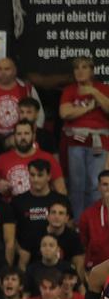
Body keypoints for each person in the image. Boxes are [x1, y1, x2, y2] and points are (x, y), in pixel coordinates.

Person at [59, 56, 109, 214]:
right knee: (76, 184)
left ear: (92, 71)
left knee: (95, 183)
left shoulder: (102, 88)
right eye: (77, 68)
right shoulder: (70, 90)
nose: (80, 71)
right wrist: (89, 108)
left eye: (84, 67)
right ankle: (79, 222)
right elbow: (65, 113)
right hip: (76, 141)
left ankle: (94, 221)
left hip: (98, 141)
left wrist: (93, 91)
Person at [12, 159, 72, 264]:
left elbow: (69, 227)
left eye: (40, 175)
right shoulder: (18, 201)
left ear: (48, 176)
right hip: (27, 257)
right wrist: (19, 251)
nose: (35, 179)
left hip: (57, 256)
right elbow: (11, 233)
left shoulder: (61, 200)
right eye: (32, 175)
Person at [0, 120, 67, 198]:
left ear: (34, 136)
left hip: (40, 206)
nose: (23, 137)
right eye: (19, 134)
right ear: (14, 136)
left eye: (26, 133)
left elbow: (61, 190)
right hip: (11, 207)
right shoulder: (2, 159)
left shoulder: (48, 158)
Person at [0, 58, 44, 140]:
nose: (3, 72)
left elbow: (39, 114)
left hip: (21, 138)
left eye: (7, 69)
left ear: (14, 70)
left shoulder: (27, 89)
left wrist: (33, 135)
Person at [44, 201, 85, 277]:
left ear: (66, 218)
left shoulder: (74, 238)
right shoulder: (37, 234)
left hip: (65, 280)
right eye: (53, 212)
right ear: (48, 216)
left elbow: (79, 266)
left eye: (61, 213)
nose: (57, 216)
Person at [80, 170, 109, 269]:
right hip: (96, 268)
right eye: (105, 184)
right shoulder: (88, 214)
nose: (108, 188)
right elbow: (83, 243)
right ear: (99, 187)